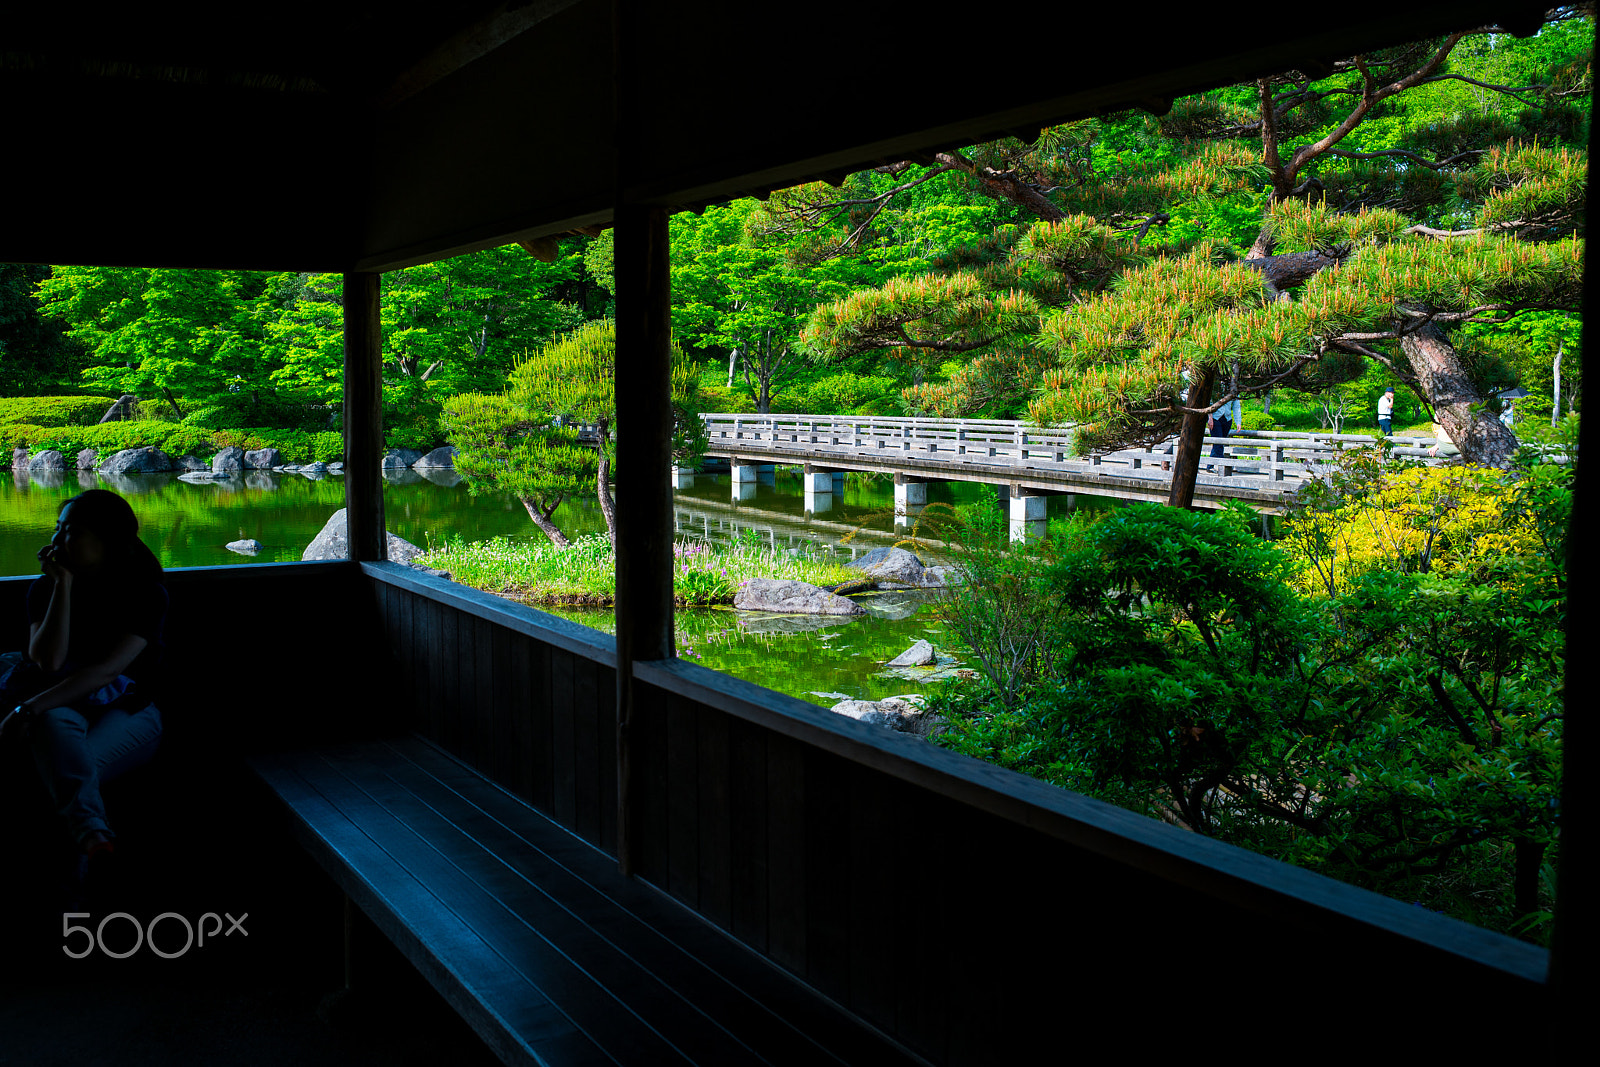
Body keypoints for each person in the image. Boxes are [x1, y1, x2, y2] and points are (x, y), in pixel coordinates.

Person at [1, 489, 167, 897]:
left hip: (128, 709)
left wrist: (26, 709)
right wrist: (62, 587)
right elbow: (50, 663)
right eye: (57, 530)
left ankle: (69, 886)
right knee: (62, 741)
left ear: (107, 539)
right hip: (59, 705)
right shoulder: (45, 590)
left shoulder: (144, 594)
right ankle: (93, 849)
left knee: (72, 766)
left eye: (71, 532)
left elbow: (105, 671)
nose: (57, 542)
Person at [1205, 395, 1241, 472]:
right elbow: (1209, 401)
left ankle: (1210, 466)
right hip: (1215, 418)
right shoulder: (1216, 385)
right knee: (1218, 443)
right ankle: (1222, 465)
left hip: (1227, 419)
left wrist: (1238, 422)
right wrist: (1210, 417)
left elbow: (1236, 407)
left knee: (1220, 444)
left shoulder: (1234, 389)